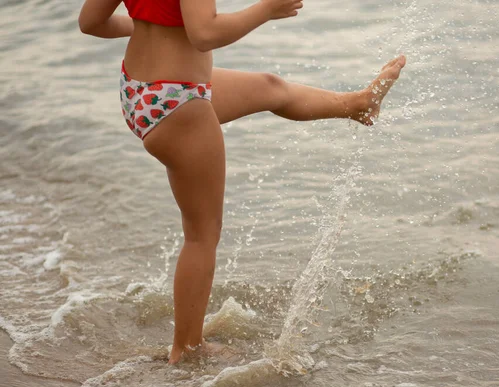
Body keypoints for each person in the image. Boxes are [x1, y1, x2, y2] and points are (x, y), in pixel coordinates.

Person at [78, 0, 406, 365]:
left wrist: (147, 28)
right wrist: (267, 9)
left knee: (269, 88)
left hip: (140, 90)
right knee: (202, 235)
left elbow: (90, 22)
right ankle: (186, 349)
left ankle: (356, 104)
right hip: (178, 103)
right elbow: (205, 35)